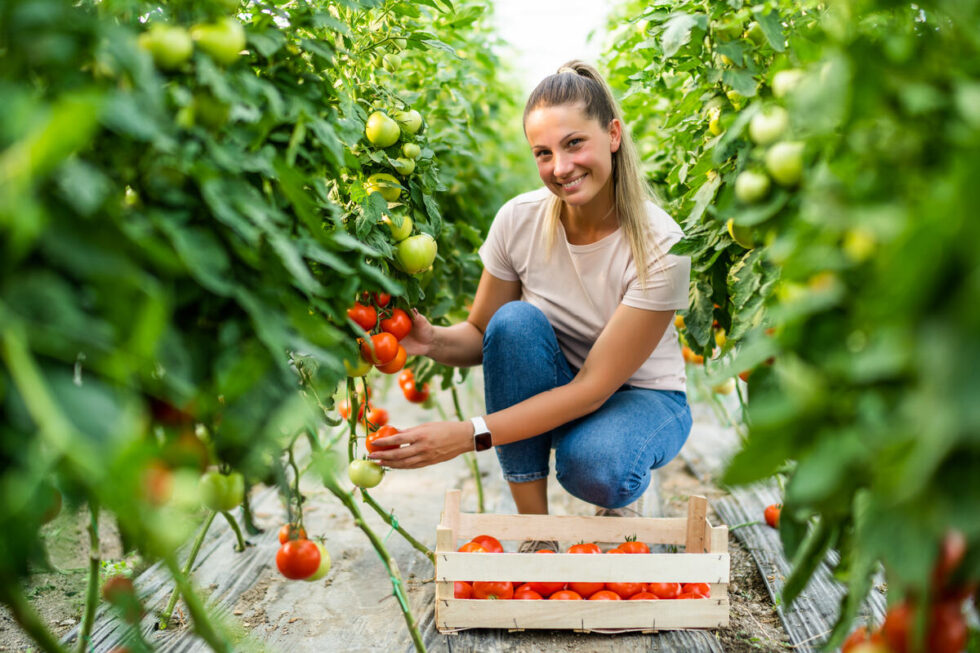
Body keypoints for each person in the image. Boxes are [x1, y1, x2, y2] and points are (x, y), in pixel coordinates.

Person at [368, 61, 692, 537]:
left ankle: (617, 486)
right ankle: (535, 533)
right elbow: (483, 335)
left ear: (614, 135)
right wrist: (431, 340)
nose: (560, 168)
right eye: (543, 153)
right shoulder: (518, 221)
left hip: (643, 398)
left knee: (596, 466)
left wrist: (466, 435)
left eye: (574, 143)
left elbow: (593, 388)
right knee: (514, 321)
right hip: (557, 386)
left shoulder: (661, 243)